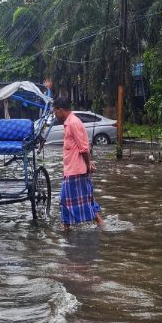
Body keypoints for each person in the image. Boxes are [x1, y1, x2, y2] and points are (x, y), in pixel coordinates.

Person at [53, 97, 102, 230]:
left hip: (76, 171)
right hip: (72, 170)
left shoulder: (74, 123)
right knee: (86, 200)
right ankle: (100, 225)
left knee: (66, 201)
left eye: (55, 112)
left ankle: (66, 230)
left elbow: (84, 148)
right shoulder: (69, 123)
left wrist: (87, 165)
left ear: (60, 110)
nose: (55, 115)